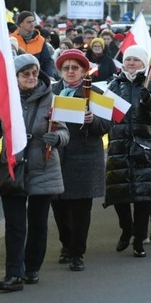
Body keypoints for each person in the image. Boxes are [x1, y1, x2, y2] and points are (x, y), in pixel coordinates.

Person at [0, 54, 70, 291]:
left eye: (34, 73)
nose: (31, 78)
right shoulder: (4, 100)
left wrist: (58, 138)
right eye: (25, 74)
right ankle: (14, 273)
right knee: (14, 224)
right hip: (12, 167)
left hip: (43, 167)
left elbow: (65, 132)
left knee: (38, 222)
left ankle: (32, 268)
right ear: (16, 77)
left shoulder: (53, 100)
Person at [104, 45, 151, 258]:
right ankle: (127, 229)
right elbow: (103, 112)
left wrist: (149, 100)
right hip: (119, 147)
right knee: (119, 195)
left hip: (146, 148)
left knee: (144, 197)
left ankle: (139, 240)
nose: (131, 63)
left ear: (144, 63)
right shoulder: (113, 85)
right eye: (128, 59)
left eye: (136, 60)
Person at [50, 49, 111, 272]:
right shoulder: (52, 91)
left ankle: (78, 252)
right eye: (66, 68)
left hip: (85, 157)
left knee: (80, 209)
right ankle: (66, 244)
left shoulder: (94, 93)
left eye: (75, 67)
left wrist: (93, 120)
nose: (71, 71)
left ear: (84, 70)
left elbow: (107, 125)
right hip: (57, 156)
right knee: (59, 206)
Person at [10, 11, 57, 78]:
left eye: (33, 21)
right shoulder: (11, 39)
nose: (32, 24)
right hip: (16, 78)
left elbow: (47, 62)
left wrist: (49, 77)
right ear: (21, 24)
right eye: (29, 22)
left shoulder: (40, 40)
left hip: (35, 78)